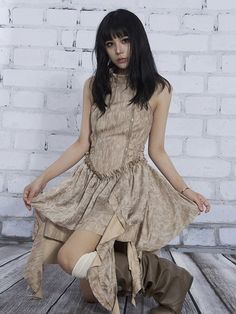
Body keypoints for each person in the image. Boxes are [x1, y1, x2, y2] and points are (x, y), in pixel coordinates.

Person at [23, 8, 211, 314]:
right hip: (91, 183)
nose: (119, 50)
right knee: (89, 293)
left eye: (124, 40)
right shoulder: (93, 84)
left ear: (137, 42)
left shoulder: (158, 89)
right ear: (103, 48)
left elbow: (157, 150)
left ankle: (170, 278)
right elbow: (82, 143)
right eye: (110, 44)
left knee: (71, 258)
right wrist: (41, 179)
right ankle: (129, 261)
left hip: (126, 188)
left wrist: (185, 190)